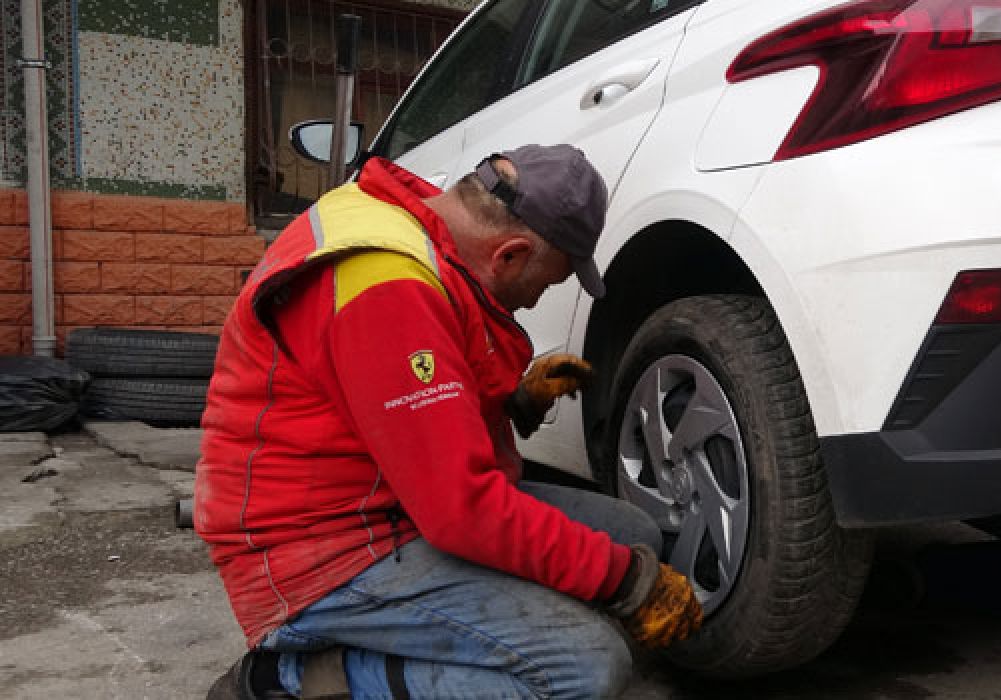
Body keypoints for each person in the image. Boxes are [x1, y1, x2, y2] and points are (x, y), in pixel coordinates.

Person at [196, 144, 702, 699]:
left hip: (389, 503)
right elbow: (463, 510)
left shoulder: (418, 222)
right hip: (321, 553)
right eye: (549, 283)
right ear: (508, 255)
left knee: (633, 535)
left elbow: (399, 408)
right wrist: (623, 581)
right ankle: (293, 678)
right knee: (583, 668)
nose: (537, 301)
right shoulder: (386, 286)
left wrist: (512, 402)